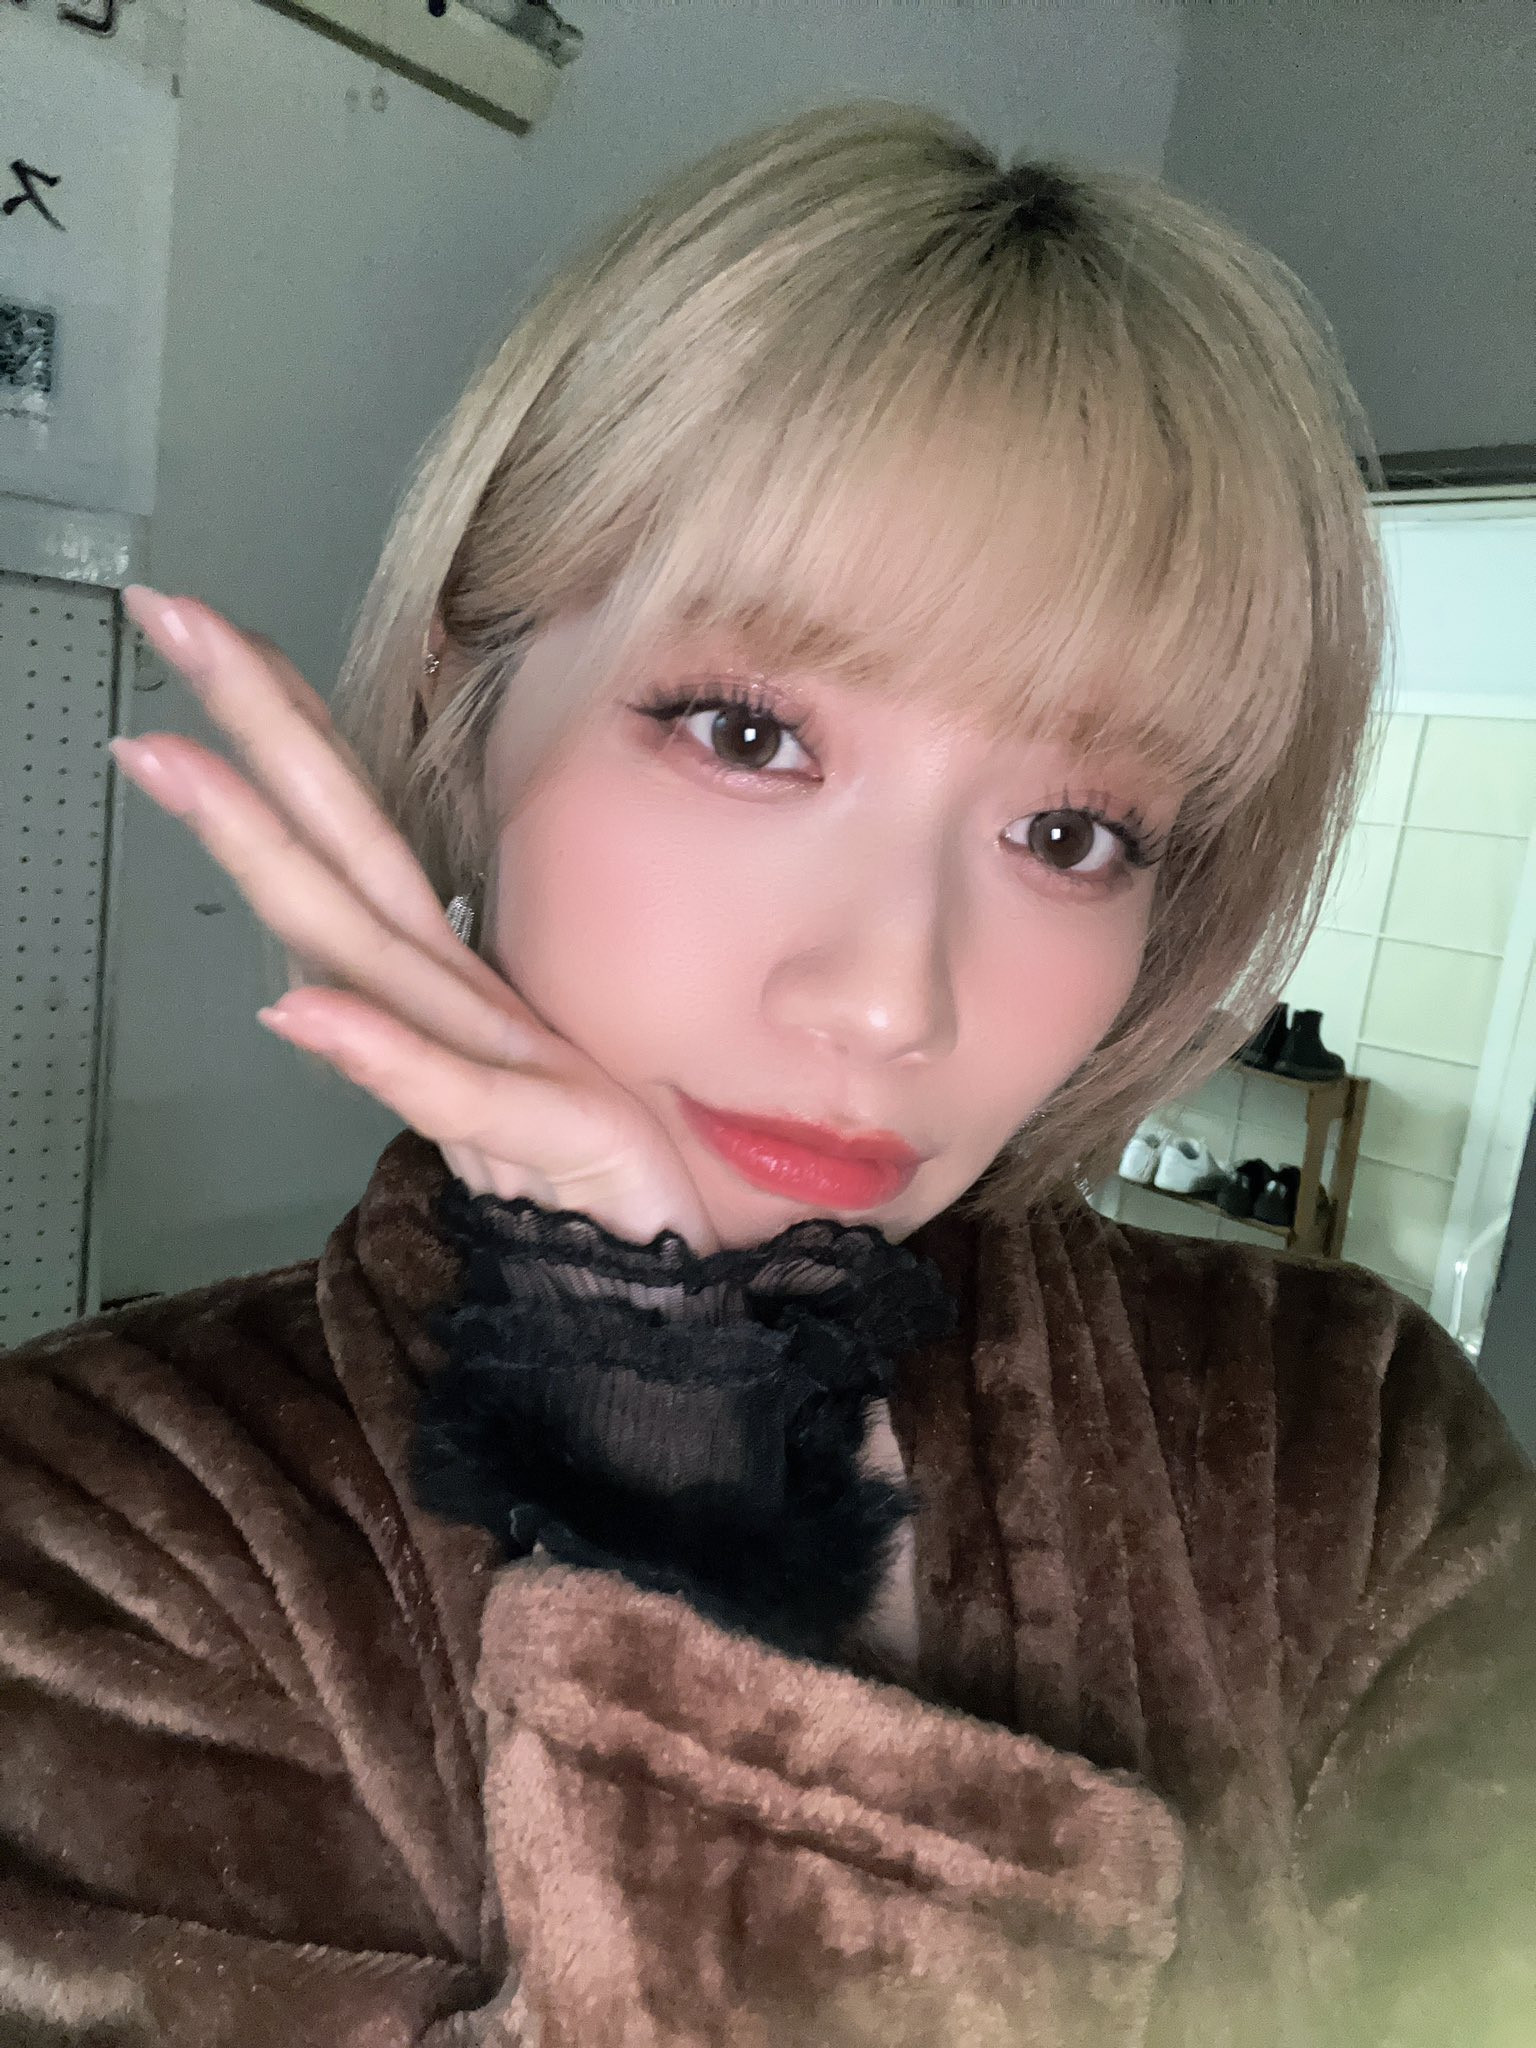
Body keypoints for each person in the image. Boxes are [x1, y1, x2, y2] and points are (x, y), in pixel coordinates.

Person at [1, 102, 1530, 2048]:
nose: (889, 996)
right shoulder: (102, 1535)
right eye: (747, 733)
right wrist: (673, 1473)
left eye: (1070, 834)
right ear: (468, 697)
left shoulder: (1354, 1444)